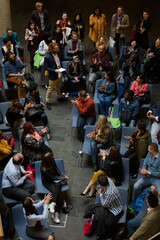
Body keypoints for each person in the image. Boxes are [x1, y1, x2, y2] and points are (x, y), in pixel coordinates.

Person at [84, 175, 123, 239]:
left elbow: (104, 204)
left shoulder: (110, 193)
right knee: (99, 216)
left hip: (114, 209)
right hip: (108, 205)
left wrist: (100, 194)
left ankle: (108, 235)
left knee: (108, 223)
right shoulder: (109, 180)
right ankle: (101, 233)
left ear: (100, 184)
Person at [41, 152, 68, 223]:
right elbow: (52, 178)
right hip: (47, 181)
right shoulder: (43, 169)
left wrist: (62, 175)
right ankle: (54, 213)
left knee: (57, 186)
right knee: (55, 190)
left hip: (54, 178)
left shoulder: (52, 160)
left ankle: (53, 204)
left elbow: (56, 168)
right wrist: (62, 178)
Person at [45, 42, 67, 110]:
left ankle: (59, 97)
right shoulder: (48, 57)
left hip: (59, 73)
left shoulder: (59, 53)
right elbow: (46, 67)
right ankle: (47, 101)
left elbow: (61, 60)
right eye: (56, 48)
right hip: (54, 74)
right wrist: (54, 70)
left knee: (58, 86)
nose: (57, 49)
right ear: (52, 49)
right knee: (50, 88)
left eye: (57, 48)